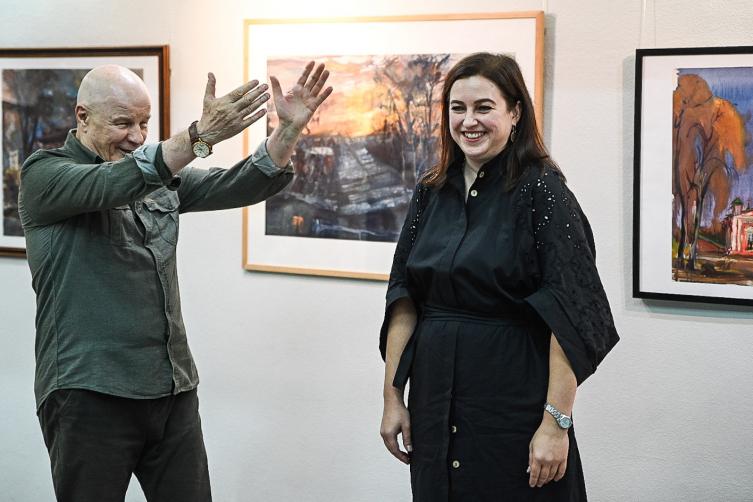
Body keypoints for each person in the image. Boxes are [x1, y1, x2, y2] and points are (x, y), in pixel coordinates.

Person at [19, 61, 332, 501]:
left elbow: (240, 184)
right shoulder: (45, 175)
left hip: (172, 389)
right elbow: (116, 182)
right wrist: (200, 136)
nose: (137, 136)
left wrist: (288, 131)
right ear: (82, 116)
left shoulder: (156, 176)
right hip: (89, 394)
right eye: (123, 123)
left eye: (144, 123)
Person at [379, 52, 619, 501]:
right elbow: (404, 298)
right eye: (458, 108)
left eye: (484, 107)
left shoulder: (543, 191)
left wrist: (556, 423)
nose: (469, 121)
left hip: (512, 407)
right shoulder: (430, 191)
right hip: (434, 402)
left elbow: (573, 312)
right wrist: (393, 397)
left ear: (515, 113)